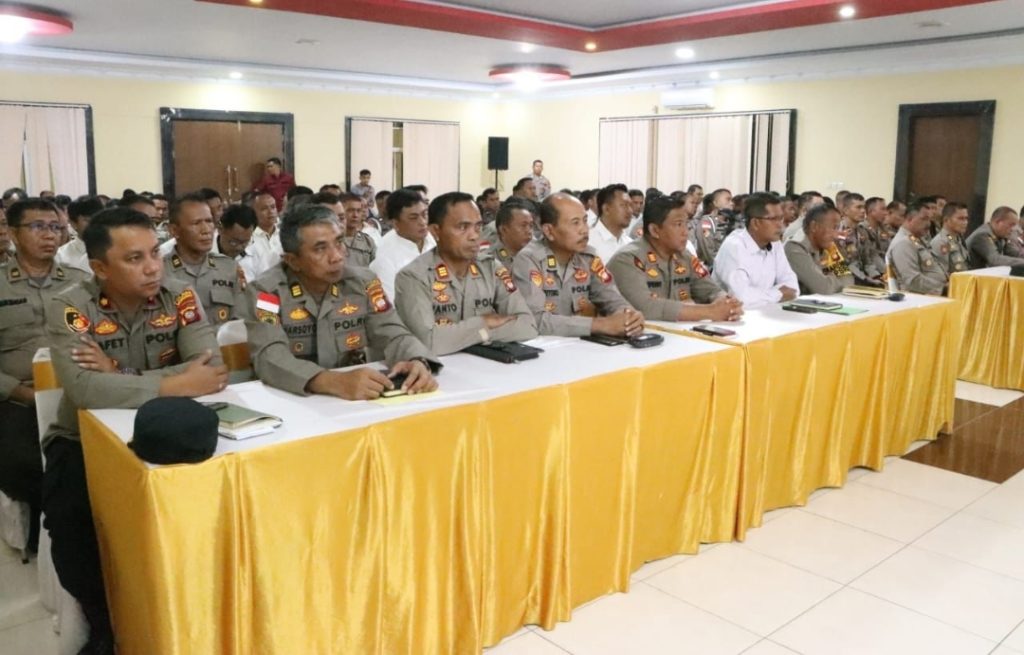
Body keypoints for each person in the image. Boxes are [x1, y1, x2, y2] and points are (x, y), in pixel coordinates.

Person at [43, 207, 227, 654]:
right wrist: (173, 384)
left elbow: (211, 369)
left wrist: (118, 372)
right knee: (71, 525)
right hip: (83, 438)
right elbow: (84, 389)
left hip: (168, 430)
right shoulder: (70, 306)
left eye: (154, 254)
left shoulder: (180, 295)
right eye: (134, 259)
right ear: (100, 268)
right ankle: (104, 626)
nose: (152, 268)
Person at [243, 204, 437, 399]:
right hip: (290, 398)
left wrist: (417, 359)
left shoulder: (364, 282)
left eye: (339, 243)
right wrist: (331, 381)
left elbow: (393, 332)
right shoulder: (266, 292)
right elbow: (270, 356)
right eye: (320, 249)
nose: (336, 256)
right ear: (292, 261)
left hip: (354, 397)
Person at [0, 199, 88, 556]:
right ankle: (46, 531)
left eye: (55, 228)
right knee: (24, 461)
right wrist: (19, 392)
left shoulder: (82, 282)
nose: (49, 235)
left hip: (76, 389)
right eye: (38, 227)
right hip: (18, 396)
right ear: (13, 232)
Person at [394, 192, 537, 355]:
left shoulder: (491, 268)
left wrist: (472, 335)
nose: (474, 236)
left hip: (485, 364)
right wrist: (484, 322)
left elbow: (528, 326)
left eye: (478, 226)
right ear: (435, 231)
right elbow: (429, 342)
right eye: (462, 227)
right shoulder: (414, 277)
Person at [512, 193, 644, 337]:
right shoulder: (529, 260)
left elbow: (612, 299)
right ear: (549, 231)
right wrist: (599, 325)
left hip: (581, 345)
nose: (584, 230)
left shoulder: (588, 258)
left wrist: (628, 317)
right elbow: (535, 320)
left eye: (585, 221)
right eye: (575, 223)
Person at [609, 195, 743, 322]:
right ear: (655, 230)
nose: (685, 232)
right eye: (678, 225)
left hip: (682, 332)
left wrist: (726, 303)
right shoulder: (627, 259)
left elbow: (711, 290)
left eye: (686, 224)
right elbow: (646, 307)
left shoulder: (684, 256)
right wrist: (709, 312)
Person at [162, 193, 248, 326]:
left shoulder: (229, 268)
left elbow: (243, 319)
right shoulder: (160, 272)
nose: (206, 230)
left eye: (209, 221)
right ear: (174, 230)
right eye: (196, 223)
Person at [712, 193, 799, 308]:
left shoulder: (775, 243)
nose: (780, 225)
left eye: (781, 218)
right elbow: (741, 299)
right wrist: (779, 294)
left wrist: (763, 296)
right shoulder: (734, 246)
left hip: (765, 312)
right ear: (755, 223)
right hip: (732, 315)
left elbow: (793, 288)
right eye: (774, 219)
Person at [369, 188, 436, 300]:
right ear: (395, 224)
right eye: (413, 218)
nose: (423, 222)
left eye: (424, 214)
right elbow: (390, 303)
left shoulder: (432, 239)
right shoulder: (385, 258)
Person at [784, 203, 854, 294]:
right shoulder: (794, 248)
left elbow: (847, 278)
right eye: (834, 228)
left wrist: (830, 279)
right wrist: (835, 279)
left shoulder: (829, 246)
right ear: (814, 226)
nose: (836, 235)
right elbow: (823, 288)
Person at [887, 202, 948, 295]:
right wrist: (943, 288)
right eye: (924, 219)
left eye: (929, 220)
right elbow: (913, 281)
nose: (928, 224)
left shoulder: (916, 239)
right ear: (909, 219)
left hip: (933, 294)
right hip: (918, 297)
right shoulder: (903, 243)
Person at [835, 192, 883, 286]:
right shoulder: (838, 232)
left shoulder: (862, 231)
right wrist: (865, 279)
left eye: (864, 207)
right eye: (858, 207)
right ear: (846, 210)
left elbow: (867, 259)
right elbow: (842, 264)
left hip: (863, 278)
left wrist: (875, 276)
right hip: (845, 280)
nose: (863, 211)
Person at [56, 195, 105, 273]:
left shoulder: (112, 250)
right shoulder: (61, 257)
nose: (95, 224)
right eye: (88, 220)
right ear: (73, 223)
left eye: (98, 219)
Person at [587, 183, 633, 263]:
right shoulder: (589, 242)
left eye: (630, 205)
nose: (630, 210)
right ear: (606, 209)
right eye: (624, 205)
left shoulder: (630, 243)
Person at [214, 203, 260, 282]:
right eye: (233, 242)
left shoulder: (257, 253)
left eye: (245, 242)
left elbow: (265, 287)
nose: (239, 248)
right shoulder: (203, 253)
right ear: (220, 229)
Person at [486, 197, 536, 268]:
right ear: (504, 230)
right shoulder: (488, 261)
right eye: (523, 225)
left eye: (531, 225)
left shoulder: (537, 255)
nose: (529, 231)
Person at [930, 202, 970, 275]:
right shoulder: (941, 242)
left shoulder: (958, 239)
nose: (965, 222)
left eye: (966, 218)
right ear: (946, 220)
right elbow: (941, 275)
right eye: (961, 219)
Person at [249, 190, 282, 276]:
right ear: (254, 213)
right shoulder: (249, 238)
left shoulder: (284, 234)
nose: (270, 211)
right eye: (264, 208)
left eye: (273, 207)